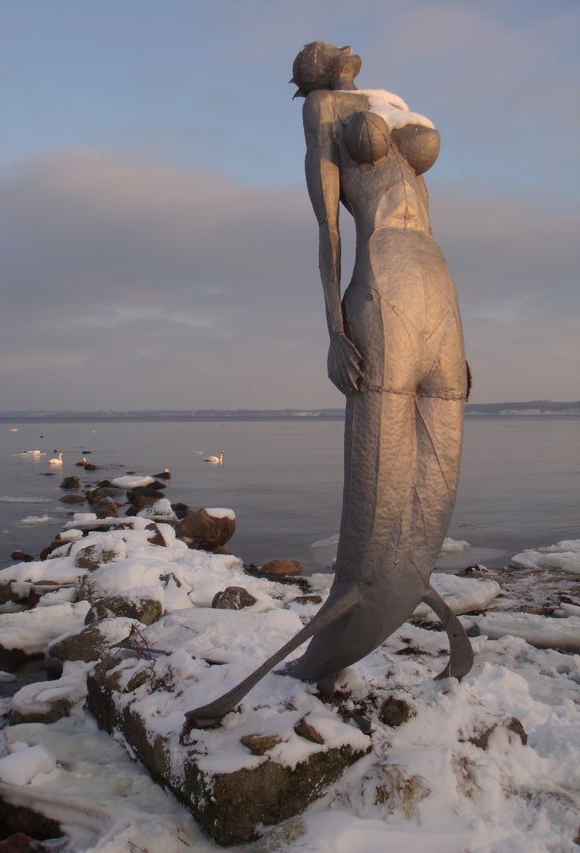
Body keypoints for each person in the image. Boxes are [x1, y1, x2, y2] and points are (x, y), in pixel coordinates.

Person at [185, 43, 472, 727]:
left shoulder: (390, 109)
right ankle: (333, 639)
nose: (330, 47)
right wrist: (334, 329)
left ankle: (400, 592)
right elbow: (328, 233)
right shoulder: (324, 114)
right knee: (376, 491)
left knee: (437, 476)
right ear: (309, 77)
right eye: (313, 53)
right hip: (381, 284)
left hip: (437, 284)